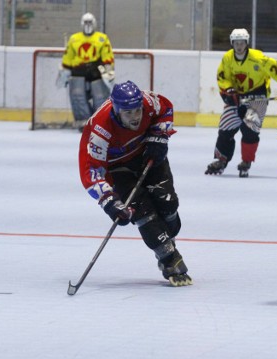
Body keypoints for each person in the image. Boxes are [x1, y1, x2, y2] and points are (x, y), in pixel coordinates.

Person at [77, 80, 192, 287]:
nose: (136, 117)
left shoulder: (147, 101)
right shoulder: (100, 129)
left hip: (147, 154)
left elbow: (165, 108)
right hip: (117, 168)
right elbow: (91, 170)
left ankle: (166, 237)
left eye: (137, 111)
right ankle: (169, 259)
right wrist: (110, 201)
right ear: (117, 110)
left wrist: (159, 135)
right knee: (143, 213)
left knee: (168, 204)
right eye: (128, 113)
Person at [205, 28, 277, 177]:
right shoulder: (228, 58)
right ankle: (221, 159)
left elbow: (276, 69)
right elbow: (223, 77)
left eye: (242, 42)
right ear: (232, 43)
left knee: (250, 130)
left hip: (257, 98)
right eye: (236, 43)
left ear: (246, 43)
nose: (239, 46)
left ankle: (246, 161)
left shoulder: (258, 57)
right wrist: (228, 91)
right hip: (237, 98)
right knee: (225, 129)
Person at [56, 13, 115, 131]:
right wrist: (64, 71)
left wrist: (108, 70)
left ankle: (101, 121)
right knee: (77, 97)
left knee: (100, 97)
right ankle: (83, 122)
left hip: (96, 71)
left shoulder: (102, 38)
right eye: (86, 23)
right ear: (82, 24)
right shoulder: (74, 38)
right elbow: (68, 57)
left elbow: (107, 55)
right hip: (78, 71)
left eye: (90, 22)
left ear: (94, 23)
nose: (88, 25)